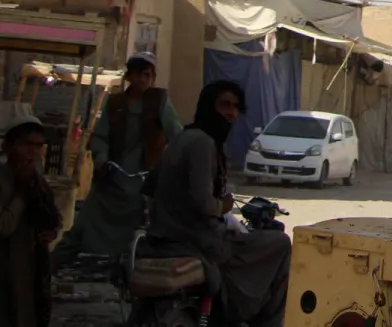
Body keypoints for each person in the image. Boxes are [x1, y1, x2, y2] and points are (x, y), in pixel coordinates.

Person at [146, 81, 290, 327]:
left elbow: (149, 186)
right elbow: (204, 203)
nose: (231, 112)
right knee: (281, 243)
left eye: (235, 107)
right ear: (208, 106)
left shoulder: (182, 137)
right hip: (197, 240)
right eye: (224, 104)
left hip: (166, 234)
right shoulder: (203, 143)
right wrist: (224, 206)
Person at [54, 52, 181, 264]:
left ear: (152, 78)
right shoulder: (115, 103)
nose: (142, 80)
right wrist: (102, 159)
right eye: (137, 74)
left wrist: (170, 163)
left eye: (147, 75)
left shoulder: (160, 102)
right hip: (113, 178)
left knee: (146, 229)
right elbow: (100, 136)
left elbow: (176, 134)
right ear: (129, 77)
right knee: (84, 225)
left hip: (142, 182)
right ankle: (52, 267)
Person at [0, 115, 63, 326]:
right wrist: (20, 192)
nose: (33, 152)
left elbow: (52, 215)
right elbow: (3, 227)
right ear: (8, 146)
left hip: (31, 266)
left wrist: (52, 230)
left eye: (38, 146)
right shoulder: (5, 179)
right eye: (26, 145)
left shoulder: (36, 180)